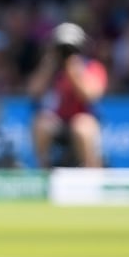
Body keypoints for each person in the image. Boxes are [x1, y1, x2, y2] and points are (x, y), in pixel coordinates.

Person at [28, 22, 107, 168]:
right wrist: (49, 66)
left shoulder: (92, 67)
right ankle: (44, 171)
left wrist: (75, 70)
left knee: (81, 127)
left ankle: (91, 172)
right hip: (57, 122)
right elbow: (33, 91)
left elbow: (90, 95)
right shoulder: (51, 69)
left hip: (84, 120)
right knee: (41, 123)